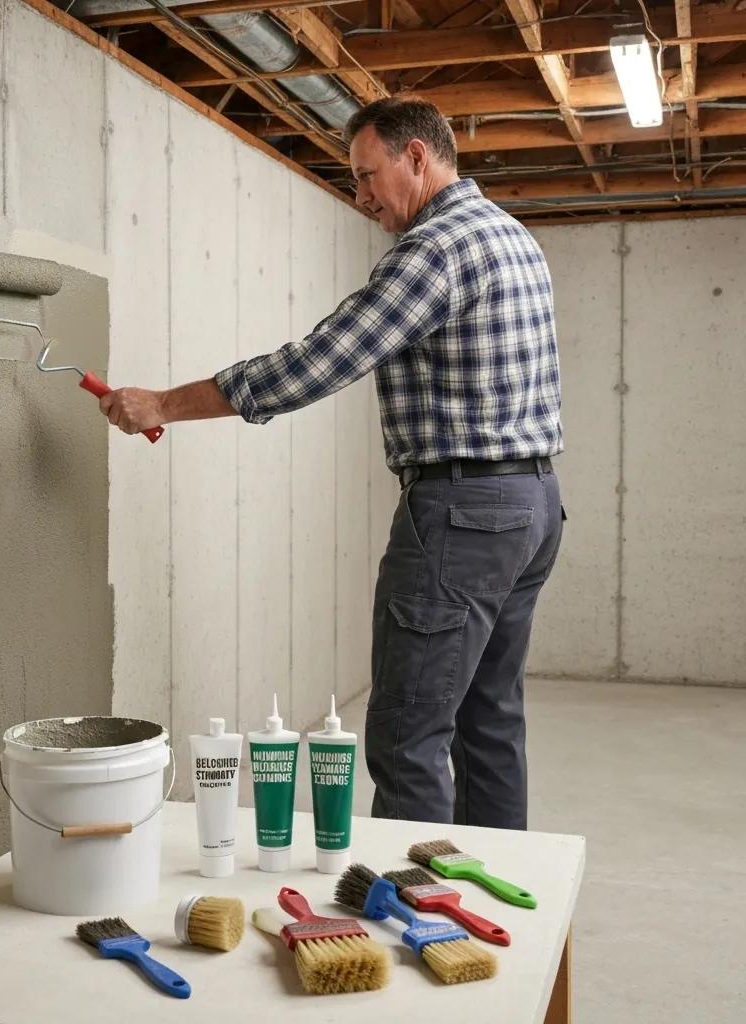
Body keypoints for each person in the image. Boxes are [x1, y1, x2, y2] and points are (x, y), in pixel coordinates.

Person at [96, 97, 564, 831]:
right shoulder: (511, 236)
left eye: (367, 175)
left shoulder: (435, 249)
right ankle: (498, 897)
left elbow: (319, 362)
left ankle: (418, 903)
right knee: (490, 720)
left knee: (408, 734)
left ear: (416, 157)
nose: (361, 196)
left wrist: (162, 404)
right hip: (533, 505)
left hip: (465, 516)